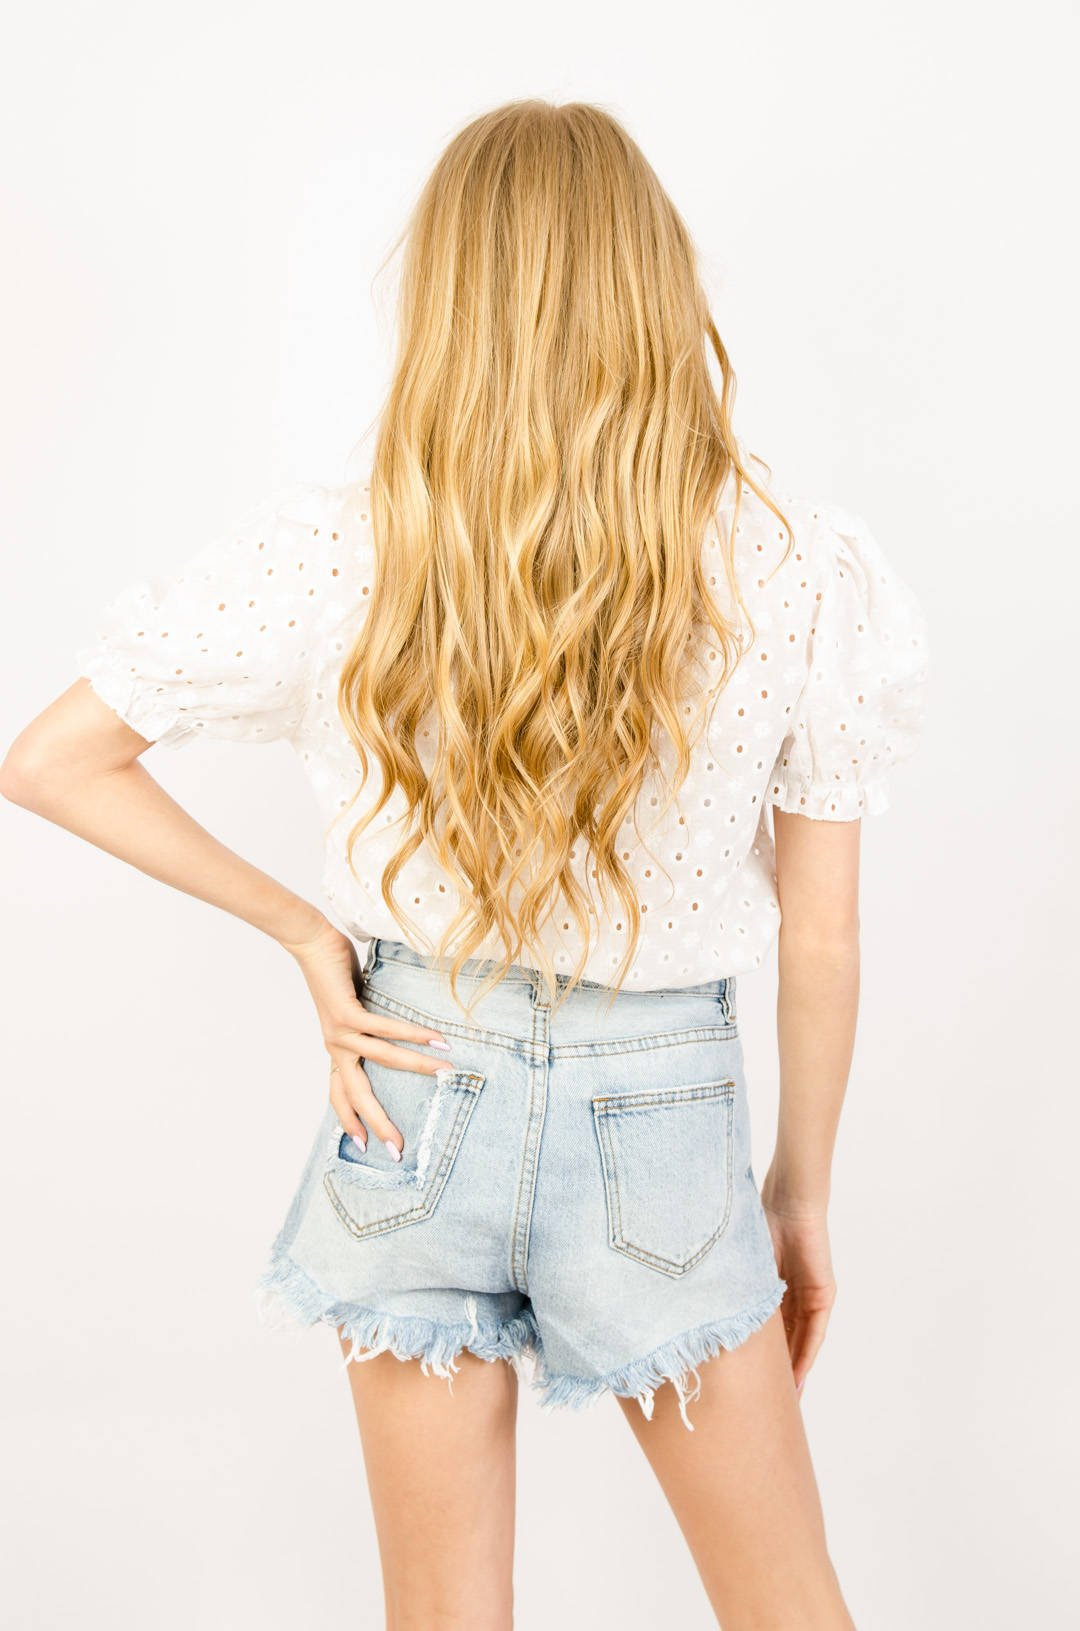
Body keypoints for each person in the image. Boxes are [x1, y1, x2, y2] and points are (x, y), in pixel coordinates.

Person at [1, 99, 929, 1630]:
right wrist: (800, 1193)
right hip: (665, 1119)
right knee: (789, 1608)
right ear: (655, 285)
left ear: (447, 296)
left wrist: (310, 936)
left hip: (411, 1090)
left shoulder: (341, 549)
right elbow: (822, 941)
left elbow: (51, 760)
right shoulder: (795, 566)